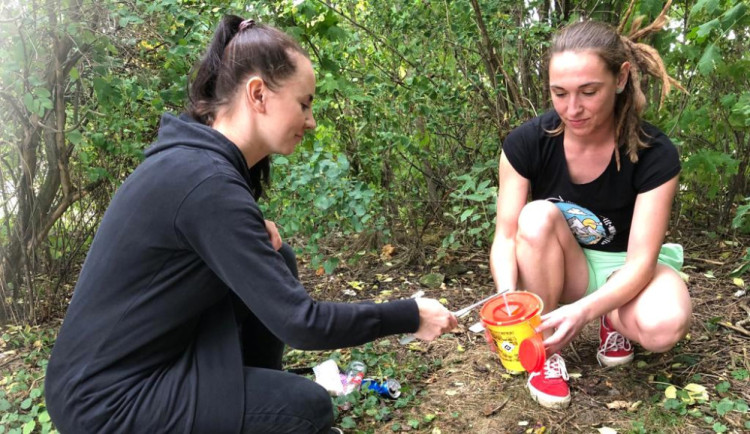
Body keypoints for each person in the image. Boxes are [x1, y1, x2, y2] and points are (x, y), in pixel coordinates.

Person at [45, 15, 457, 434]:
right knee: (305, 408)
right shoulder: (205, 181)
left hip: (141, 365)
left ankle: (253, 407)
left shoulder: (197, 163)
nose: (311, 121)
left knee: (281, 257)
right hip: (104, 402)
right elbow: (301, 322)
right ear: (258, 94)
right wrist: (410, 314)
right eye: (304, 103)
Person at [489, 9, 692, 409]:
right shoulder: (526, 143)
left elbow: (639, 263)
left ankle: (608, 319)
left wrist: (583, 313)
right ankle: (544, 350)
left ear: (620, 79)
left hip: (629, 269)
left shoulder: (655, 153)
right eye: (559, 93)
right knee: (535, 215)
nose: (572, 108)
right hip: (565, 265)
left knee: (665, 325)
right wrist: (508, 302)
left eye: (588, 91)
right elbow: (507, 235)